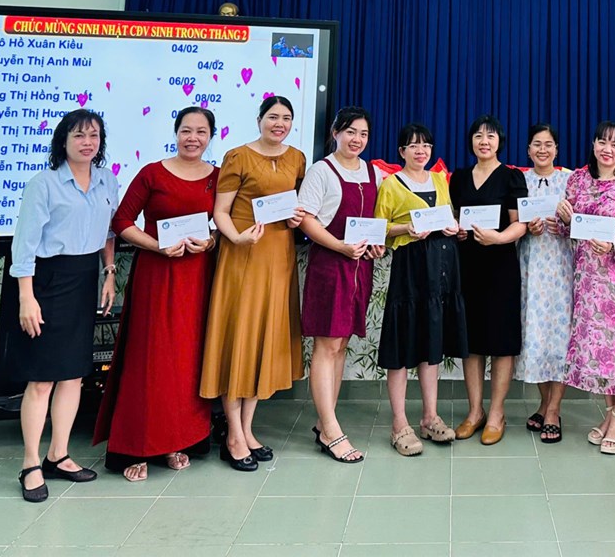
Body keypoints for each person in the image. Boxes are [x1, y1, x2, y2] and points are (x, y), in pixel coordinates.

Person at [93, 107, 219, 482]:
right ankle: (138, 445)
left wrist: (210, 242)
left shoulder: (217, 177)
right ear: (175, 133)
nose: (192, 138)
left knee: (188, 360)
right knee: (150, 359)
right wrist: (156, 246)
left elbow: (221, 225)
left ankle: (178, 440)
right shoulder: (152, 173)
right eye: (186, 130)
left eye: (200, 131)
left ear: (211, 136)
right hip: (157, 276)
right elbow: (121, 221)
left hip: (197, 277)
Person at [8, 109, 117, 502]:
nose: (87, 142)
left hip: (85, 279)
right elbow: (24, 244)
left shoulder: (106, 179)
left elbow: (108, 231)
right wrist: (26, 297)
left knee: (73, 375)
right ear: (63, 141)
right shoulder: (44, 184)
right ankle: (30, 463)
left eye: (94, 136)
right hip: (46, 282)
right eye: (79, 135)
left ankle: (58, 454)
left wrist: (109, 272)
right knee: (42, 379)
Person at [200, 96, 307, 472]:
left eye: (287, 118)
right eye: (273, 117)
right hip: (243, 256)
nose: (280, 124)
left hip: (279, 258)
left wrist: (294, 220)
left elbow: (292, 205)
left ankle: (247, 429)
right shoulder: (238, 156)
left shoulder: (297, 158)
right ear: (260, 119)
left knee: (263, 339)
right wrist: (237, 238)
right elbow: (220, 211)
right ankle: (232, 434)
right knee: (239, 340)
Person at [556, 121, 615, 455]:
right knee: (599, 350)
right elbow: (568, 230)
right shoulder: (577, 180)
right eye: (602, 142)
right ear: (593, 145)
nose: (608, 149)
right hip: (587, 276)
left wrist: (614, 244)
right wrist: (564, 218)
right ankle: (610, 414)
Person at [297, 107, 386, 464]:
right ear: (335, 132)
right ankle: (332, 430)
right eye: (350, 132)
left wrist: (376, 244)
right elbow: (305, 219)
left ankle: (325, 421)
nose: (357, 139)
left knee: (342, 344)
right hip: (330, 265)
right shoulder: (321, 170)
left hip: (359, 267)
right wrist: (339, 246)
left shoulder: (374, 172)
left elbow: (376, 221)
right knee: (327, 344)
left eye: (363, 134)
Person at [375, 123, 467, 456]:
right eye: (413, 145)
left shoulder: (441, 180)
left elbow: (448, 217)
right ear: (401, 151)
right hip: (410, 268)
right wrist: (406, 228)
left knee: (432, 343)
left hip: (441, 268)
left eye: (426, 145)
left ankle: (430, 417)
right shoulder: (391, 184)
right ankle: (399, 423)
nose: (420, 151)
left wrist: (454, 228)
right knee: (403, 345)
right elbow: (379, 228)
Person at [450, 115, 528, 445]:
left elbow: (520, 224)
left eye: (491, 136)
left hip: (500, 266)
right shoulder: (459, 177)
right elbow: (455, 218)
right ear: (471, 141)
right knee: (472, 341)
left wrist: (499, 238)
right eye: (478, 136)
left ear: (500, 141)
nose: (484, 141)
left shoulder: (511, 177)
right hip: (467, 265)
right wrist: (457, 230)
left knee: (501, 341)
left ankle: (496, 413)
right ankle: (474, 412)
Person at [515, 123, 574, 444]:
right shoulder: (519, 181)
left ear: (556, 149)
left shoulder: (570, 182)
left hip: (561, 270)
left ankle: (554, 410)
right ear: (528, 150)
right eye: (537, 144)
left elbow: (584, 224)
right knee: (535, 335)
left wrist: (567, 221)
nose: (542, 149)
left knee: (559, 336)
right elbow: (511, 222)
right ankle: (543, 402)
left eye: (548, 144)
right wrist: (527, 228)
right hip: (530, 268)